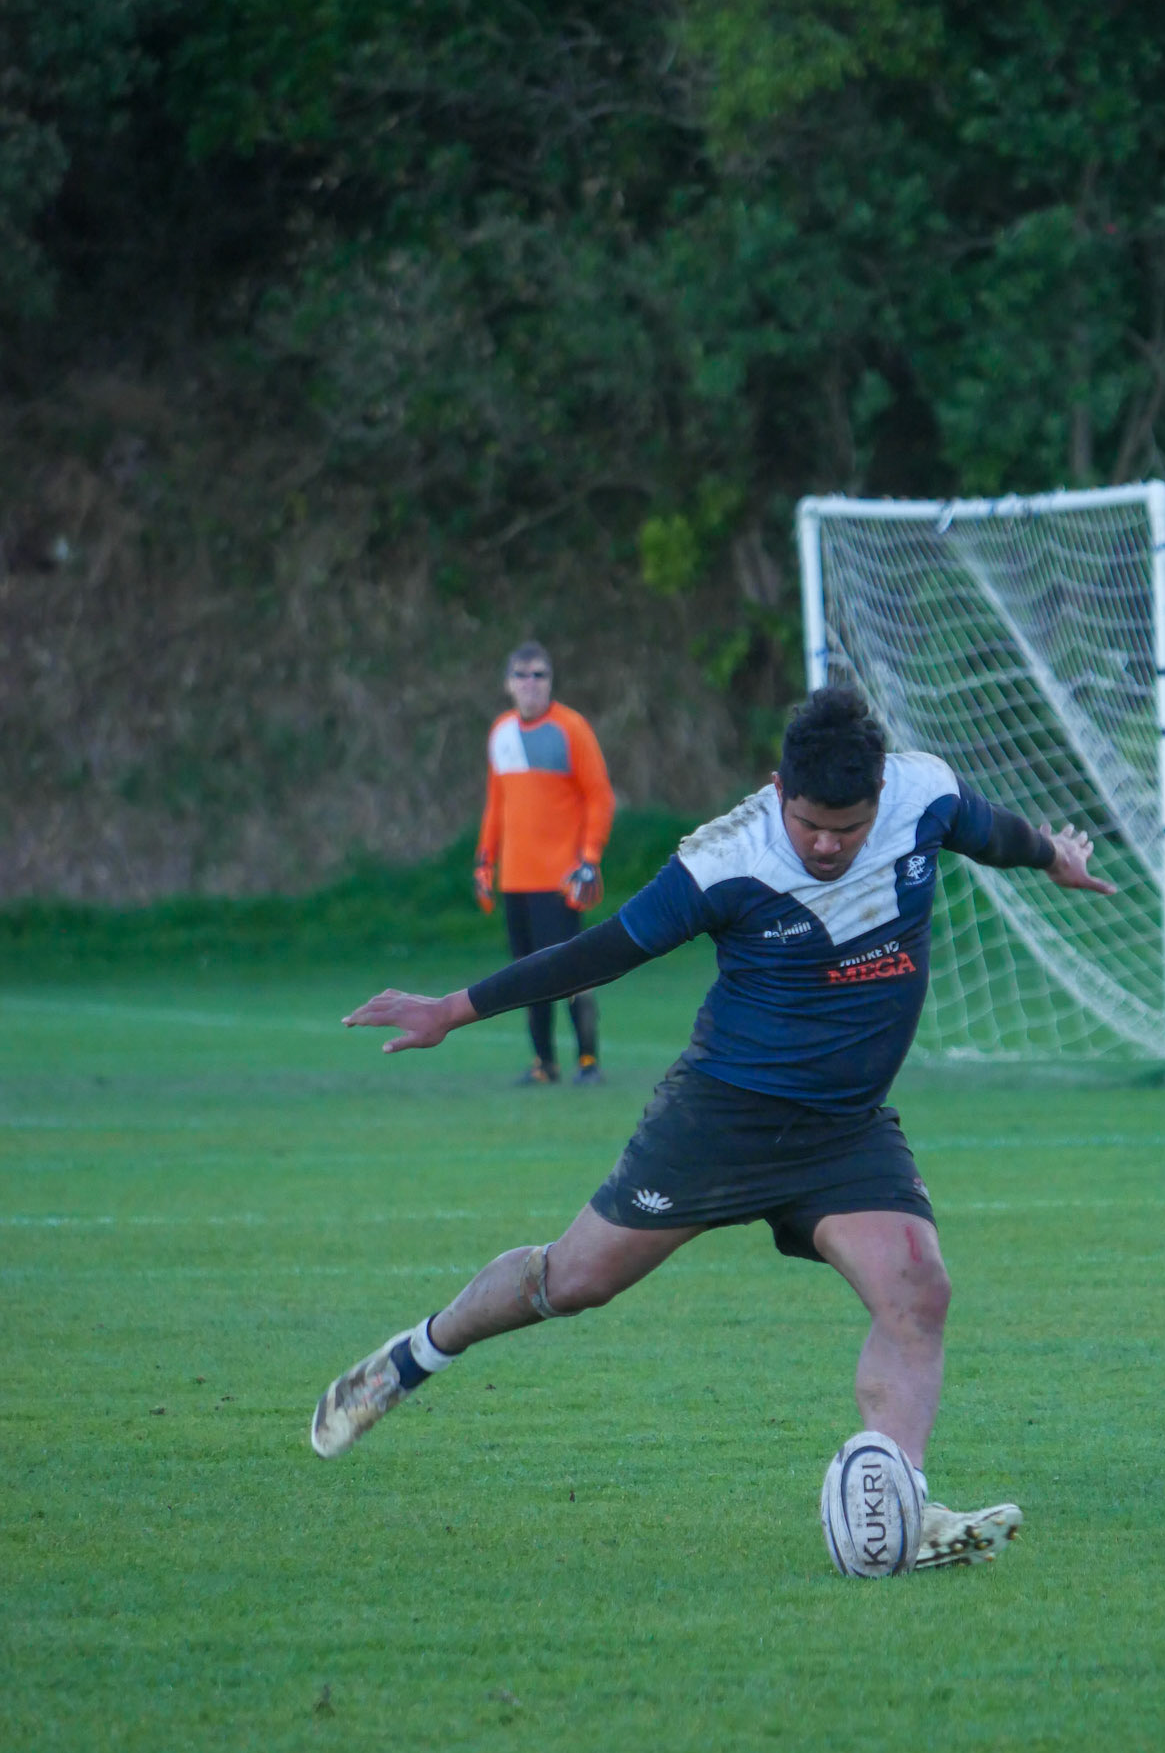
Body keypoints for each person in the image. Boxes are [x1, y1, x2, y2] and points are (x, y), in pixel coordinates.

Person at [314, 687, 1116, 1570]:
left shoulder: (923, 795)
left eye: (847, 829)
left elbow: (991, 831)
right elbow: (600, 952)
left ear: (882, 795)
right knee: (571, 1281)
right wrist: (452, 1010)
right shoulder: (725, 861)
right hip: (719, 1120)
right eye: (809, 824)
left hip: (844, 1131)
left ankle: (898, 1502)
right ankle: (418, 1353)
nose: (826, 845)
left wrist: (1053, 856)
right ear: (778, 790)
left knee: (918, 1291)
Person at [474, 641, 615, 1085]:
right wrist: (485, 862)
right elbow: (496, 804)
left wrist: (589, 858)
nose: (530, 684)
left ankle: (588, 1061)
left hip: (560, 879)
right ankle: (544, 1064)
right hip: (515, 879)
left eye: (539, 675)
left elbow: (600, 797)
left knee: (571, 973)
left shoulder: (571, 728)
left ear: (551, 681)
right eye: (522, 675)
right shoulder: (501, 732)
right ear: (508, 683)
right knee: (526, 974)